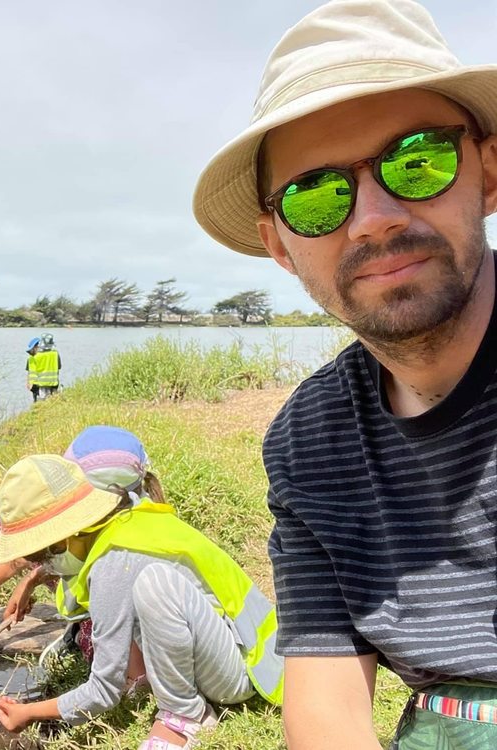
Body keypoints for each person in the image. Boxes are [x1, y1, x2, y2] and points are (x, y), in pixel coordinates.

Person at [192, 1, 497, 747]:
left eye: (417, 161)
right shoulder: (309, 440)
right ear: (280, 246)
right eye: (317, 195)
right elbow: (327, 711)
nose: (372, 218)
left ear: (488, 173)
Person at [0, 455, 283, 750]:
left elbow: (104, 690)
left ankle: (185, 715)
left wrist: (28, 713)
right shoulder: (121, 523)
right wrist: (33, 578)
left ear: (68, 535)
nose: (48, 564)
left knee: (153, 584)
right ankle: (159, 686)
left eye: (46, 554)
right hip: (224, 646)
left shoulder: (112, 561)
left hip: (240, 672)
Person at [0, 424, 163, 660]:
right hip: (90, 585)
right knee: (31, 524)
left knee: (99, 649)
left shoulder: (122, 548)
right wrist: (17, 578)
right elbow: (53, 544)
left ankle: (80, 627)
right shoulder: (104, 518)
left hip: (119, 614)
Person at [26, 333, 61, 402]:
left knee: (41, 403)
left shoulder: (33, 357)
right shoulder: (55, 354)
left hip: (40, 385)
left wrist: (30, 384)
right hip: (54, 383)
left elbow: (31, 373)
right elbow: (59, 367)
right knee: (53, 402)